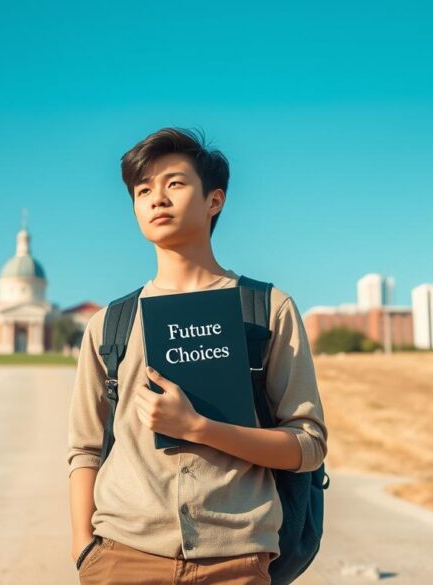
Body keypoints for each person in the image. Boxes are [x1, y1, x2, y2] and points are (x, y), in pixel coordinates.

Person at [67, 127, 328, 584]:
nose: (157, 199)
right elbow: (85, 448)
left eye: (175, 183)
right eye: (143, 190)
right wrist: (83, 551)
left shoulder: (267, 310)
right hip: (122, 556)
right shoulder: (109, 324)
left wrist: (198, 429)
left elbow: (308, 445)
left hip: (237, 559)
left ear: (215, 201)